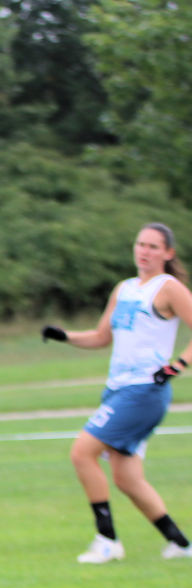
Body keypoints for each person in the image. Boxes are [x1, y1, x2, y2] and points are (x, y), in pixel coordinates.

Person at [41, 222, 192, 563]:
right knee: (127, 478)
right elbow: (101, 337)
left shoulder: (168, 288)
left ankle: (107, 540)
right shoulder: (123, 289)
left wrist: (177, 366)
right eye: (140, 244)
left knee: (82, 453)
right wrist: (64, 336)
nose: (144, 251)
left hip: (144, 391)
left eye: (153, 246)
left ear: (168, 253)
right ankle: (180, 544)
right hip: (117, 389)